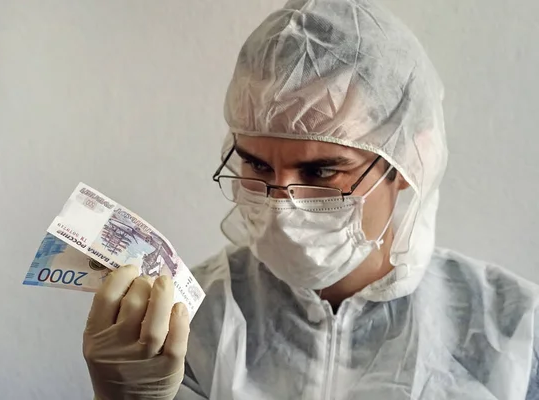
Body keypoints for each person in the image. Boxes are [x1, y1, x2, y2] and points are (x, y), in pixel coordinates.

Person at [82, 0, 539, 398]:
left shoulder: (512, 328)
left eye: (321, 171)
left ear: (407, 165)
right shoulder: (195, 318)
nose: (282, 202)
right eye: (257, 165)